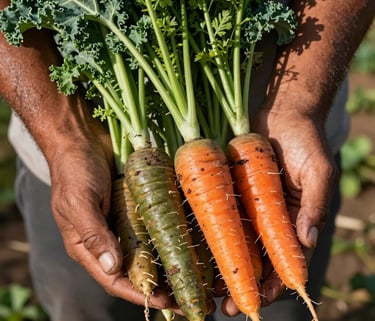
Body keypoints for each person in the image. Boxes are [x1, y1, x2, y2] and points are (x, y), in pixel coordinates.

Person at [0, 0, 374, 320]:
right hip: (88, 157)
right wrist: (65, 137)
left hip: (278, 138)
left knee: (273, 297)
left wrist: (299, 105)